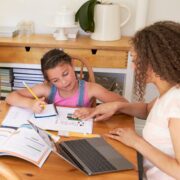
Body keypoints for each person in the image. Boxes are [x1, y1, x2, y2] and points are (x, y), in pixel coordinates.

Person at [77, 21, 180, 179]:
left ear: (155, 62)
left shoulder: (176, 102)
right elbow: (146, 110)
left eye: (136, 61)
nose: (133, 67)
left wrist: (136, 141)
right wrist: (117, 106)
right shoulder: (169, 92)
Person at [6, 49, 126, 113]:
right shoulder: (46, 89)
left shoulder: (90, 89)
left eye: (65, 74)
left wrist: (95, 110)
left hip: (80, 136)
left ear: (72, 65)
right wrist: (30, 104)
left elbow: (123, 104)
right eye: (55, 80)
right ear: (49, 81)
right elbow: (10, 97)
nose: (63, 82)